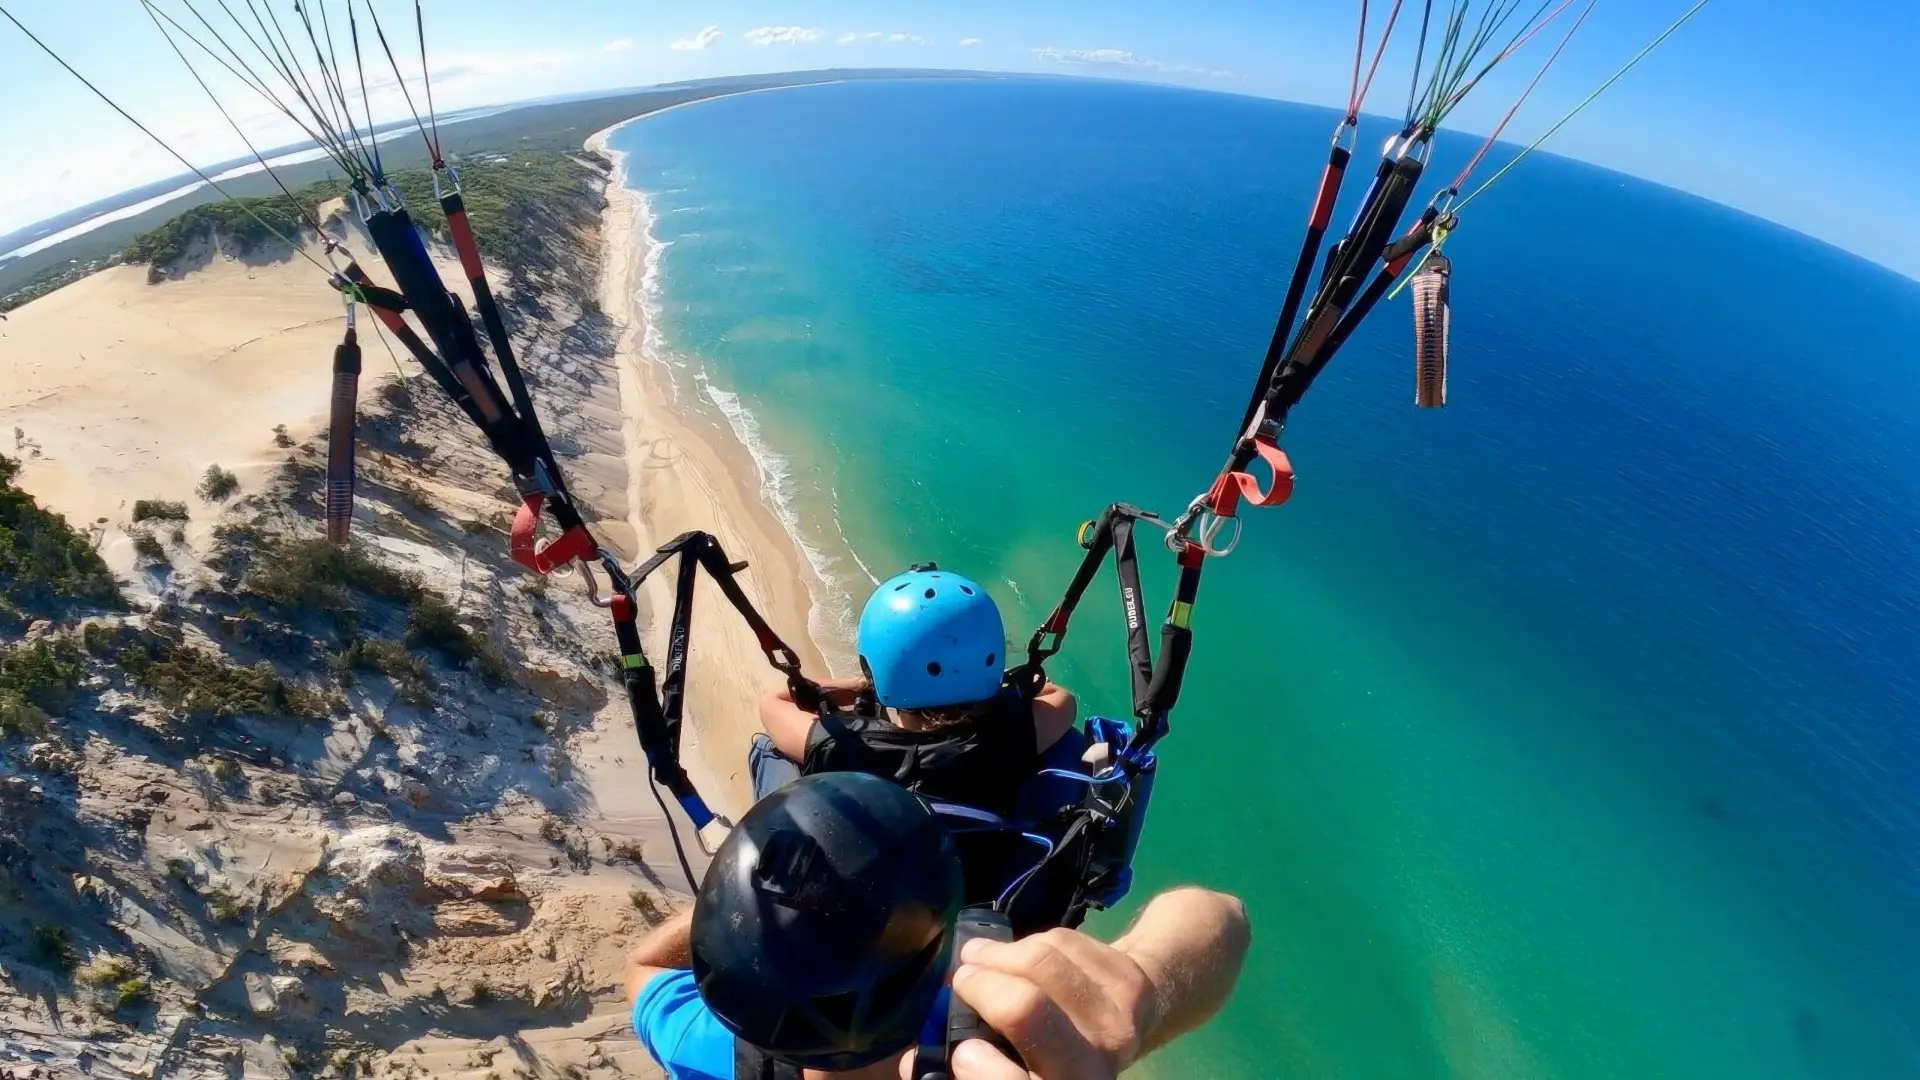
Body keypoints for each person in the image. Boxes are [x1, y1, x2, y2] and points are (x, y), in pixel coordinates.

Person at [624, 771, 1251, 1080]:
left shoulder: (695, 1044)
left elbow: (643, 966)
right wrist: (1143, 998)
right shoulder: (1003, 1041)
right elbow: (1223, 917)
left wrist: (738, 900)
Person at [751, 564, 1081, 819]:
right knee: (1068, 743)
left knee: (769, 748)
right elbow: (1060, 698)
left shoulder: (843, 745)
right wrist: (986, 680)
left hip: (873, 873)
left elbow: (775, 701)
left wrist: (866, 687)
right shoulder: (1010, 736)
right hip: (977, 870)